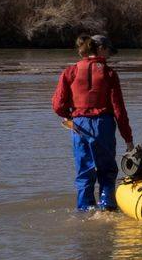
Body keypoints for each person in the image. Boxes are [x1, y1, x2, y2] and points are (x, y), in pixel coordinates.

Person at [52, 33, 134, 212]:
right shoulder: (109, 73)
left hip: (79, 125)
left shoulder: (70, 72)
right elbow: (119, 111)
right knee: (107, 172)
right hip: (103, 125)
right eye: (109, 52)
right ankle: (108, 209)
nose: (110, 56)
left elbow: (57, 105)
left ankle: (84, 211)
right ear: (101, 49)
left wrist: (70, 116)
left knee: (84, 173)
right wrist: (128, 140)